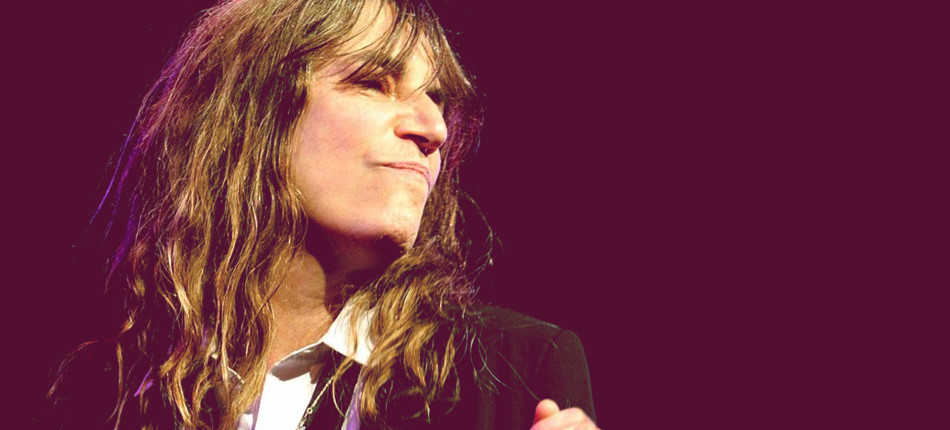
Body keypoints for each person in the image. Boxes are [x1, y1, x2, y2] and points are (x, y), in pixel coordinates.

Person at [43, 0, 598, 429]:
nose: (434, 129)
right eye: (373, 82)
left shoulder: (514, 373)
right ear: (253, 113)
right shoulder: (103, 391)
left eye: (435, 98)